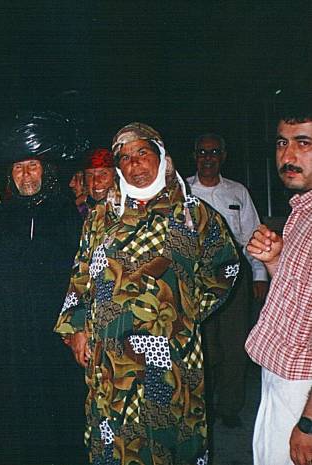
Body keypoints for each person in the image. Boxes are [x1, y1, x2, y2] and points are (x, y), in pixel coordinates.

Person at [55, 122, 239, 465]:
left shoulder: (193, 214)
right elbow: (81, 273)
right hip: (110, 353)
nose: (134, 164)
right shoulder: (100, 217)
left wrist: (186, 311)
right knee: (116, 438)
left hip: (171, 354)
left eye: (142, 154)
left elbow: (225, 267)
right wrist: (77, 329)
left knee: (168, 432)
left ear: (161, 157)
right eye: (124, 158)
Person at [0, 112, 86, 465]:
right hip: (6, 341)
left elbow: (85, 275)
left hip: (52, 339)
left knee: (56, 415)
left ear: (46, 171)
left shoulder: (69, 217)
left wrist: (79, 326)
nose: (25, 176)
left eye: (32, 167)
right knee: (6, 417)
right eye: (18, 169)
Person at [245, 96, 312, 465]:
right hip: (280, 373)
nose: (288, 155)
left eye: (303, 143)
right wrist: (275, 261)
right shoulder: (301, 211)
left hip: (302, 389)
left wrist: (309, 422)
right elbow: (299, 295)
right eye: (282, 142)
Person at [186, 133, 269, 428]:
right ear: (194, 155)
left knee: (235, 344)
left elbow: (253, 237)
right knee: (201, 346)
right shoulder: (182, 191)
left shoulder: (238, 192)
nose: (207, 158)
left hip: (235, 277)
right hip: (196, 279)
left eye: (214, 152)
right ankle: (201, 407)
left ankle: (231, 407)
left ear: (223, 156)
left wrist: (259, 275)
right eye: (202, 152)